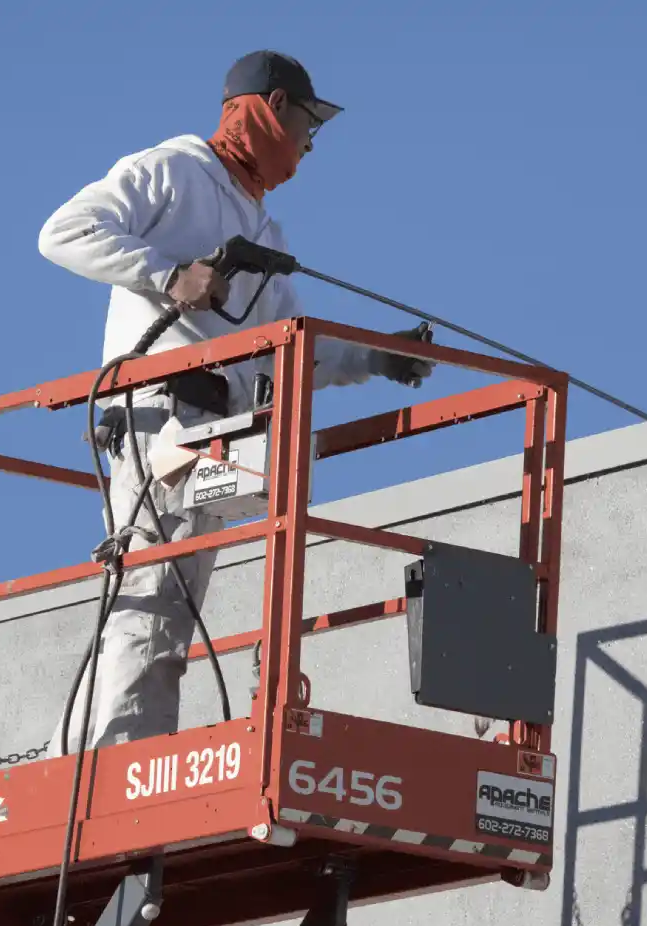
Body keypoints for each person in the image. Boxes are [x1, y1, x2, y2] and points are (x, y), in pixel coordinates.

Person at [35, 50, 433, 756]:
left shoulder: (263, 231)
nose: (309, 146)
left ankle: (104, 763)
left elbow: (291, 347)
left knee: (168, 611)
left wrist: (379, 354)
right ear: (272, 107)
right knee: (151, 604)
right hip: (160, 415)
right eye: (308, 124)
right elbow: (64, 231)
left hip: (210, 428)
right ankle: (107, 774)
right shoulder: (175, 171)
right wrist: (168, 275)